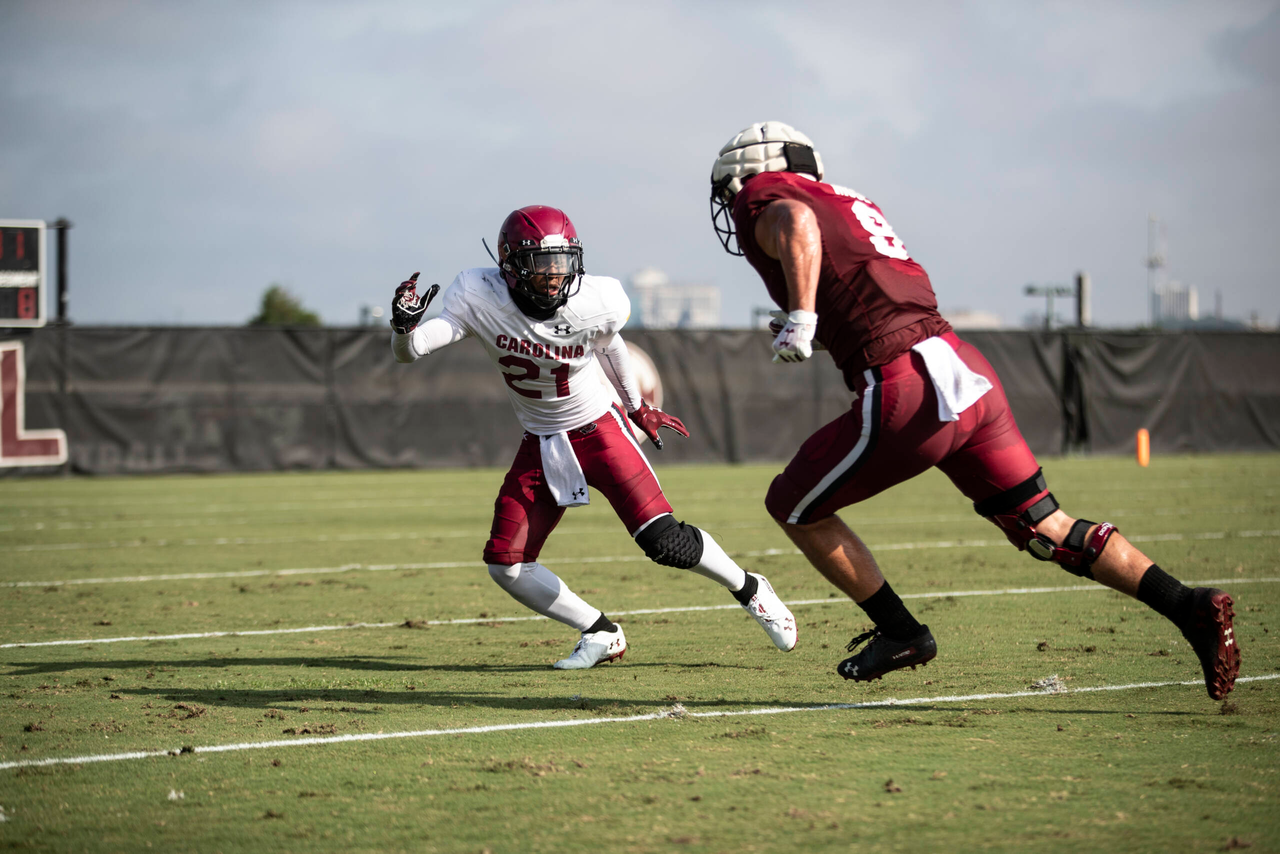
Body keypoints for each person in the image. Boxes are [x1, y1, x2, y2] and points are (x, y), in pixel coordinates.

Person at [707, 121, 1239, 699]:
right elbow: (874, 298)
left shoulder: (774, 198)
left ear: (752, 173)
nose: (734, 206)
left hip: (909, 384)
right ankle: (1188, 606)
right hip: (965, 370)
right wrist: (810, 320)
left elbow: (795, 223)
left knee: (792, 504)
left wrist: (804, 315)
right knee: (1046, 530)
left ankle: (900, 631)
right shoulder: (850, 200)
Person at [390, 205, 797, 669]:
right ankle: (600, 632)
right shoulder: (480, 296)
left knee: (664, 542)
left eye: (561, 262)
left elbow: (609, 343)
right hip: (541, 442)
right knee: (506, 563)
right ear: (509, 267)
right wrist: (404, 329)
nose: (553, 275)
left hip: (599, 432)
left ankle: (749, 587)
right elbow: (412, 351)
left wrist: (636, 408)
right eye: (540, 265)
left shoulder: (594, 300)